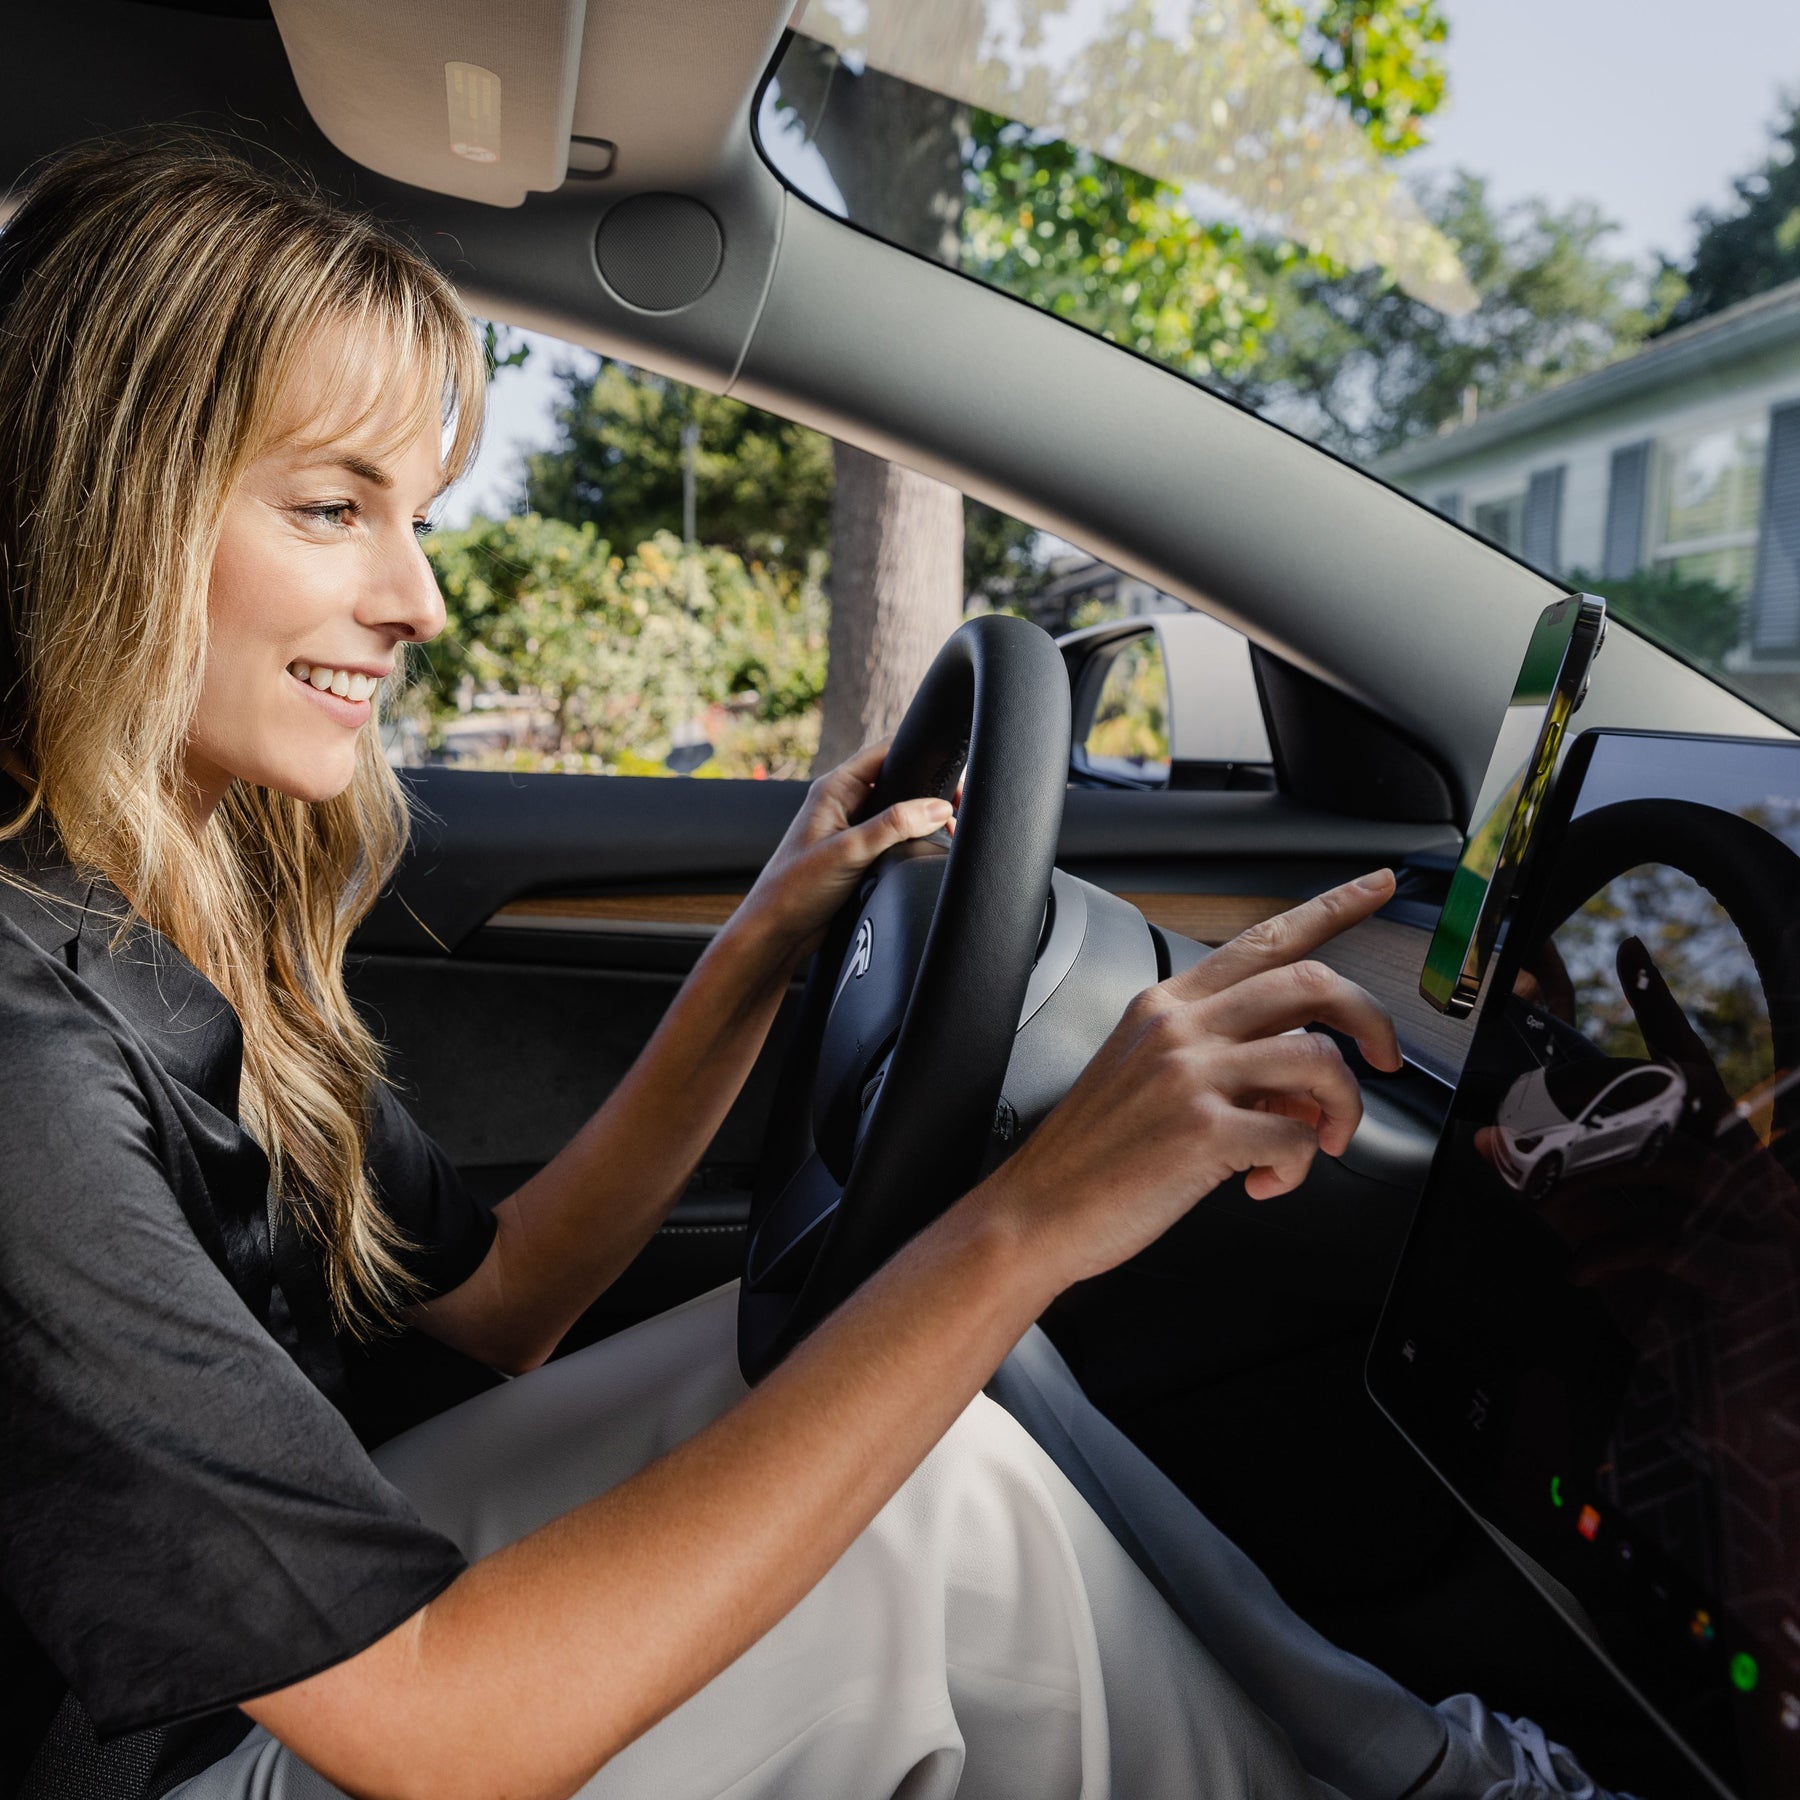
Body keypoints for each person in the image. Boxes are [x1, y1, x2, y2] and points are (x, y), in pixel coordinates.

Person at [0, 136, 1631, 1800]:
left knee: (837, 1374)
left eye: (413, 517)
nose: (418, 596)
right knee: (932, 1530)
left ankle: (1419, 1771)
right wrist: (1032, 1219)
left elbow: (505, 1304)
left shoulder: (157, 916)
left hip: (268, 1666)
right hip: (166, 1754)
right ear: (98, 509)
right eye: (332, 508)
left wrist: (760, 952)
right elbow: (438, 1734)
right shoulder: (28, 1063)